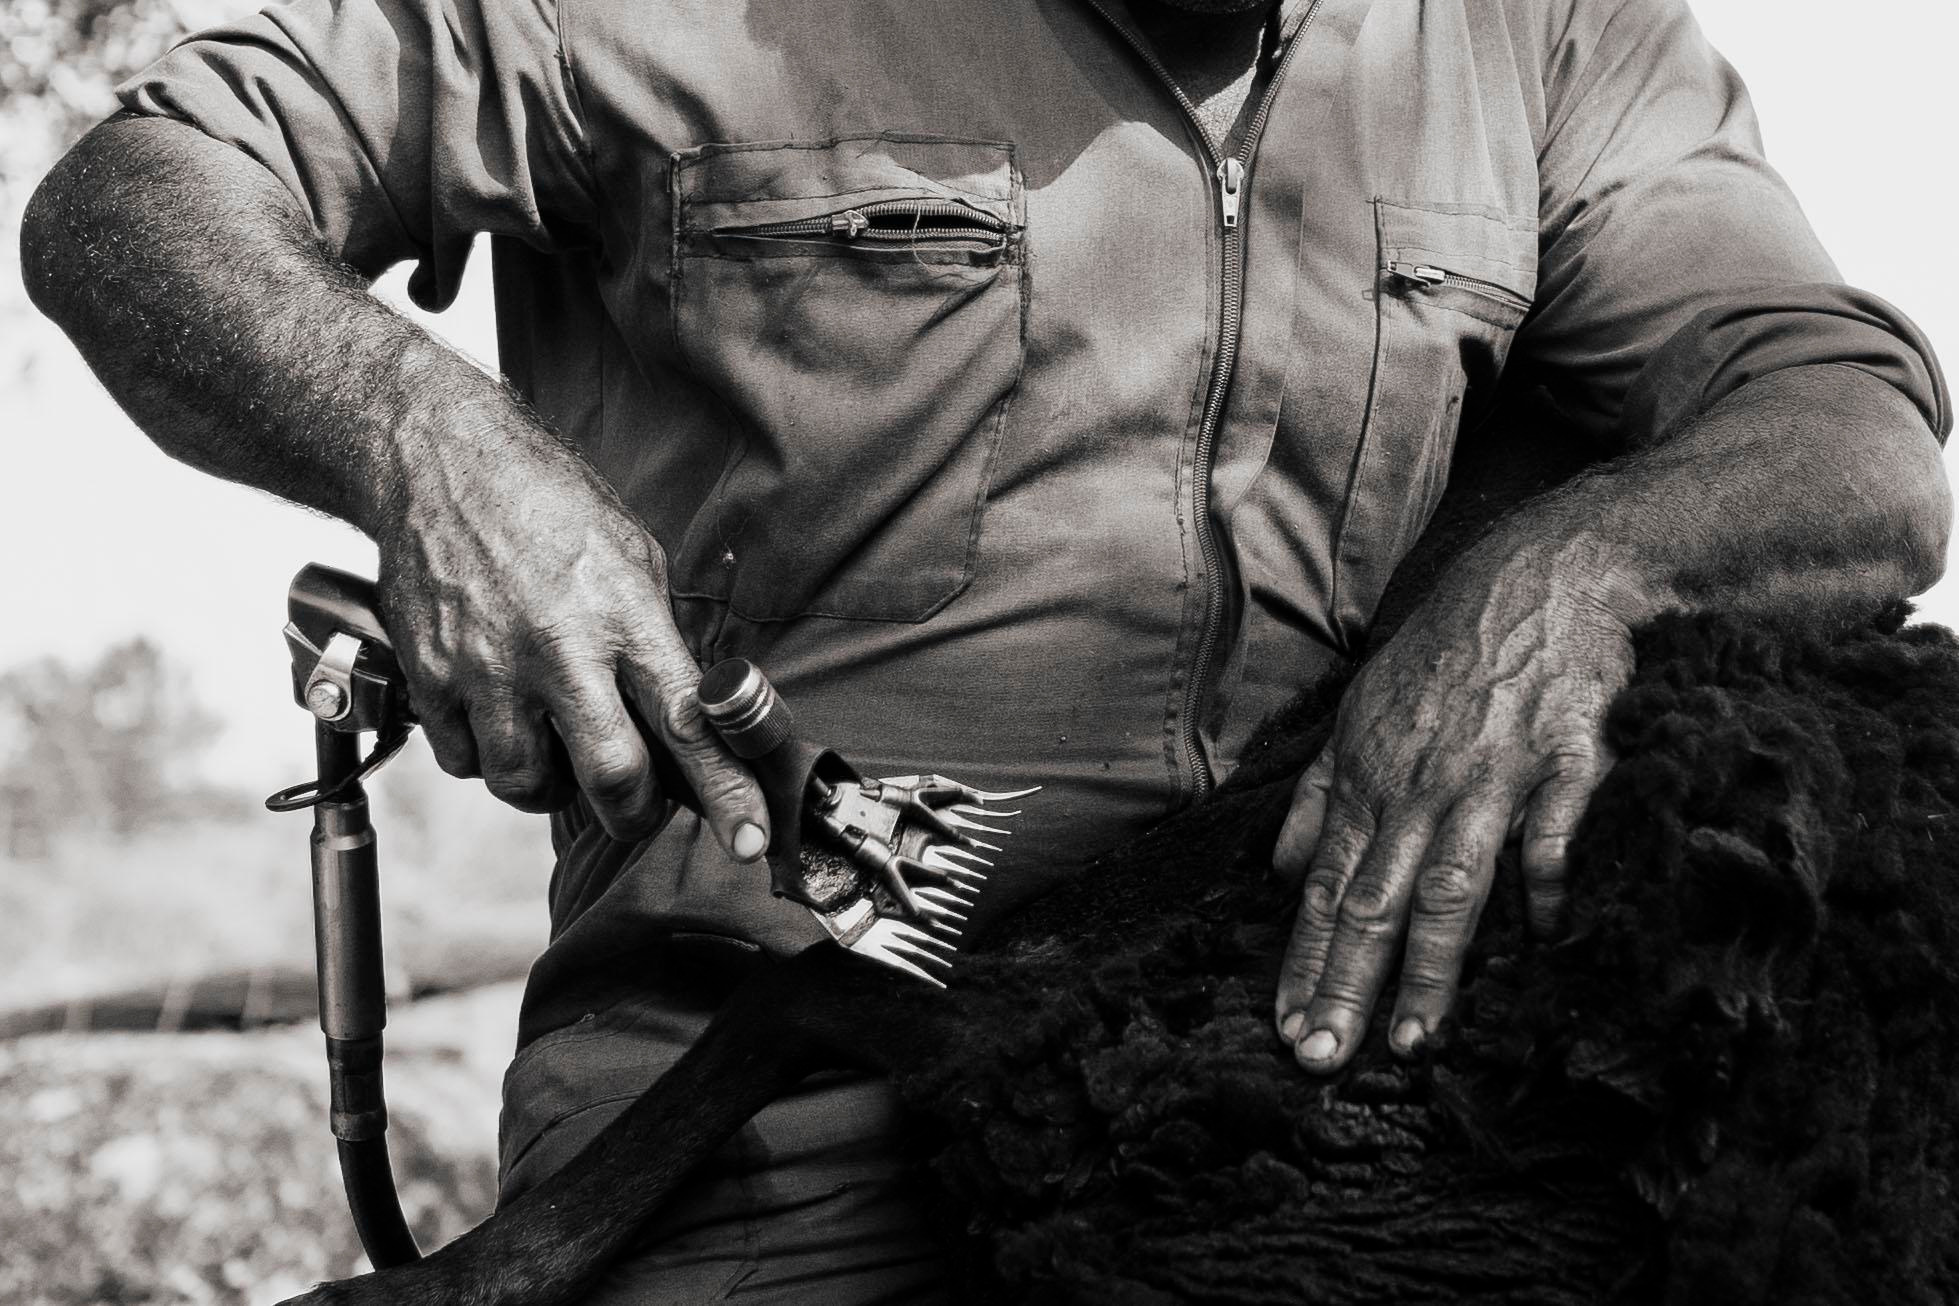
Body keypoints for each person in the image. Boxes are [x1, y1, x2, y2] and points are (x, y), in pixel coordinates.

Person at [20, 0, 1950, 1297]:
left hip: (1305, 1081)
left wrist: (1577, 570)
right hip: (768, 1123)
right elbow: (135, 194)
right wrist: (430, 447)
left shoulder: (1536, 35)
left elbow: (1846, 430)